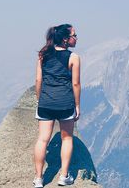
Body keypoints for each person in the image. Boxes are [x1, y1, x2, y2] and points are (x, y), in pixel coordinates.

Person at [33, 24, 81, 187]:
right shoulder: (73, 57)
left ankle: (39, 178)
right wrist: (77, 105)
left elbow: (38, 80)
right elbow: (75, 84)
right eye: (74, 35)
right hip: (65, 104)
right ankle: (64, 177)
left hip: (45, 103)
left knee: (42, 140)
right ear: (65, 40)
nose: (76, 38)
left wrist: (40, 99)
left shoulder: (43, 54)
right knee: (67, 138)